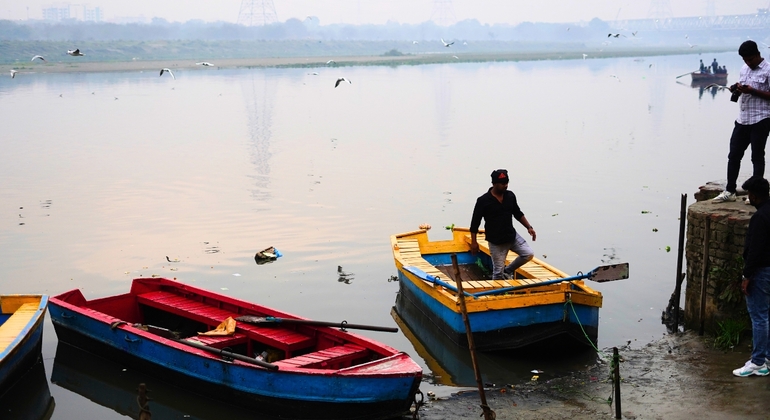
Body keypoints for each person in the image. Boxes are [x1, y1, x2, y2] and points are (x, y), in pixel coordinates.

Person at [713, 41, 770, 203]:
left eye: (750, 59)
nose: (748, 63)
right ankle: (730, 191)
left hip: (761, 118)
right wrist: (736, 89)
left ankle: (756, 194)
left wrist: (753, 91)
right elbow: (743, 87)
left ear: (758, 55)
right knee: (734, 156)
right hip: (742, 119)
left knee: (757, 157)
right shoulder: (744, 69)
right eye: (745, 60)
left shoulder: (768, 70)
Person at [733, 176, 770, 377]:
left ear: (754, 196)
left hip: (762, 272)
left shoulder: (759, 218)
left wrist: (746, 276)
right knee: (767, 315)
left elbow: (755, 250)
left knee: (759, 316)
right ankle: (767, 358)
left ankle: (757, 362)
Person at [469, 169, 536, 280]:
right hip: (496, 242)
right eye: (503, 183)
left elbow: (517, 213)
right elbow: (475, 223)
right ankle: (497, 294)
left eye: (507, 182)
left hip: (511, 236)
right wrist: (474, 242)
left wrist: (529, 227)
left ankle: (508, 270)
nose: (506, 186)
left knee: (528, 254)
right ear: (494, 184)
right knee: (497, 274)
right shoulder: (483, 201)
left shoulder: (510, 196)